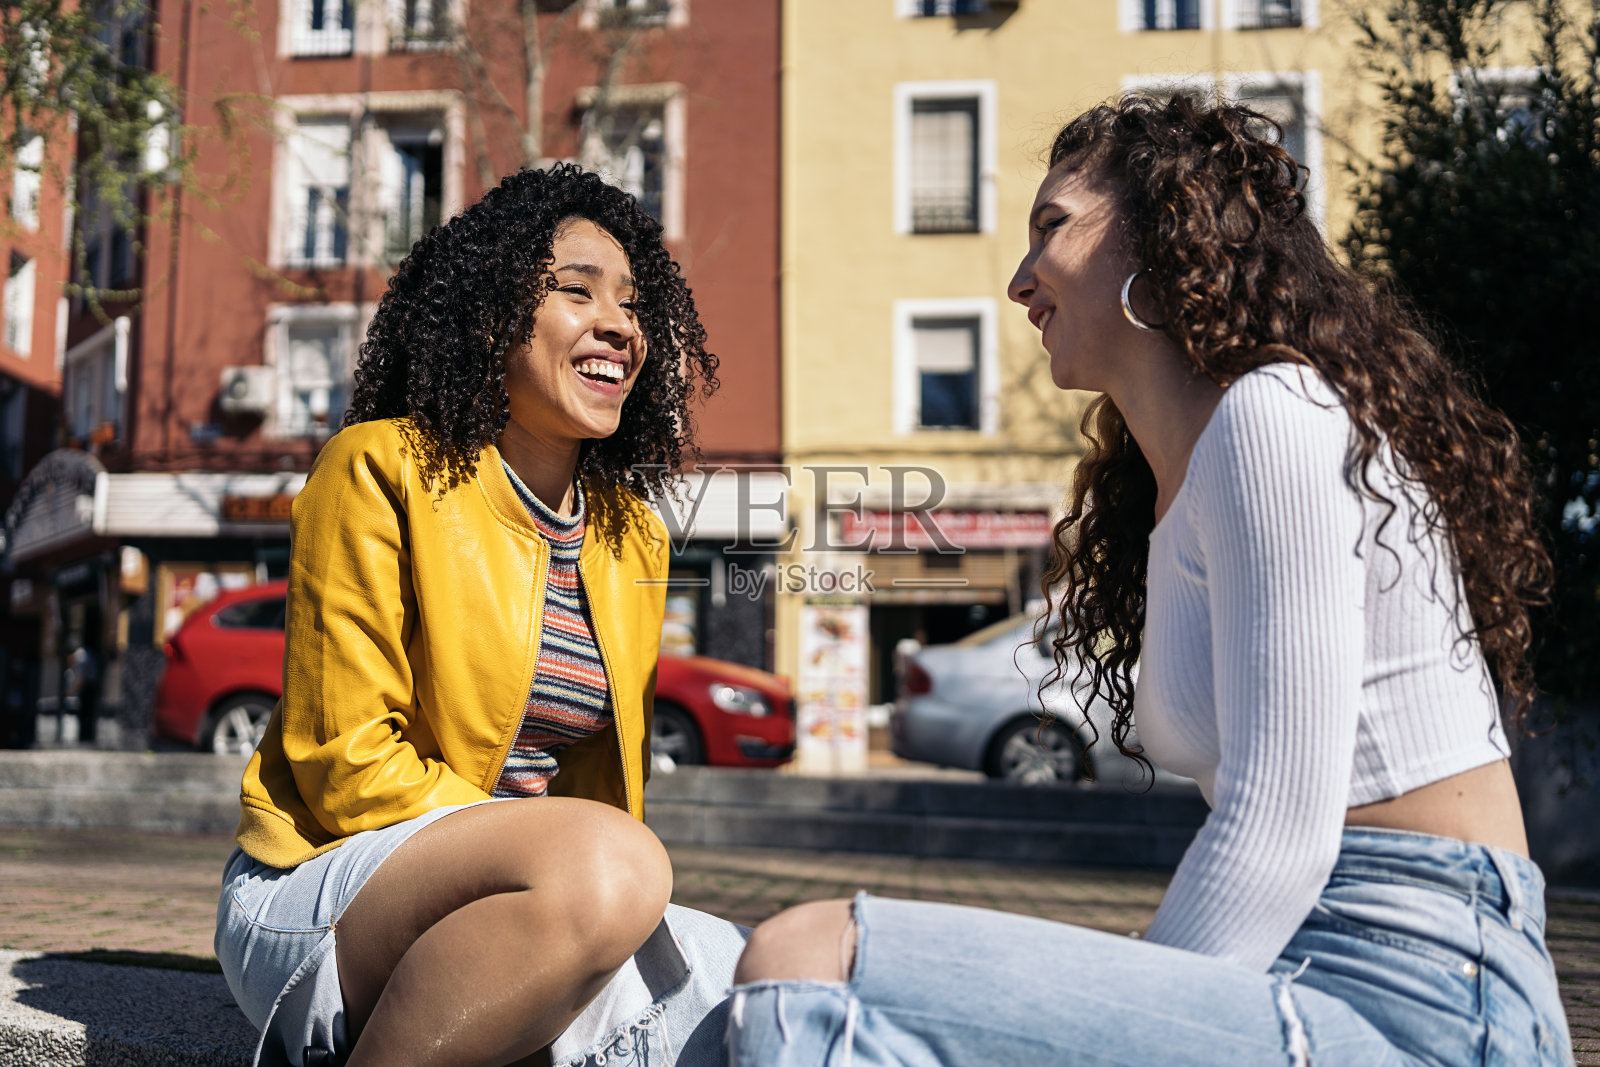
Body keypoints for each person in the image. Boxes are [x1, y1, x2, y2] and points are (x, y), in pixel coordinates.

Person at [723, 95, 1574, 1066]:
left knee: (805, 960)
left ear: (1165, 238)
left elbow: (1281, 831)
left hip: (1423, 992)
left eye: (1051, 226)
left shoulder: (1275, 415)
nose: (1017, 280)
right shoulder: (1177, 480)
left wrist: (1117, 1008)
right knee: (719, 978)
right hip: (1312, 965)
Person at [214, 164, 747, 1067]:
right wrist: (549, 851)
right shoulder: (379, 468)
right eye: (577, 292)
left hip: (545, 888)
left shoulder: (631, 540)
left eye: (633, 303)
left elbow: (596, 797)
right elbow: (346, 766)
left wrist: (561, 874)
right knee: (614, 864)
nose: (620, 323)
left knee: (772, 984)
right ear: (492, 315)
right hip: (326, 885)